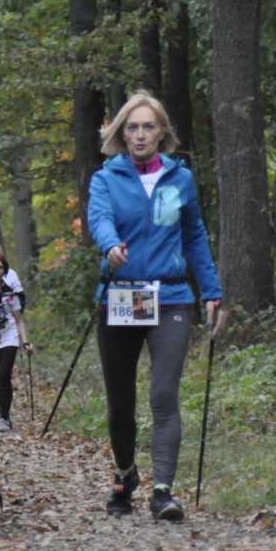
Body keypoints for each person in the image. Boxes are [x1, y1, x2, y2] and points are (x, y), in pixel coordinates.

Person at [86, 90, 226, 522]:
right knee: (120, 402)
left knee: (164, 394)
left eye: (149, 126)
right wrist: (110, 245)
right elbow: (99, 218)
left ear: (162, 132)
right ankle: (126, 474)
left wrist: (212, 290)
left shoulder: (180, 178)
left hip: (170, 298)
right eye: (132, 127)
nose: (141, 134)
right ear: (120, 133)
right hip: (121, 297)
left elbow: (195, 235)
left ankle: (163, 490)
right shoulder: (105, 178)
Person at [0, 253, 33, 432]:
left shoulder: (11, 293)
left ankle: (4, 417)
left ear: (5, 271)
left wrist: (25, 342)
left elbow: (18, 320)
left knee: (4, 376)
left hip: (8, 336)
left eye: (0, 268)